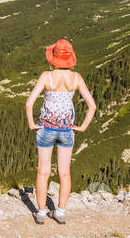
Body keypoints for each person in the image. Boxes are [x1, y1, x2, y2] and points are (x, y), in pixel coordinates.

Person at [25, 38, 96, 225]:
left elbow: (29, 102)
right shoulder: (76, 78)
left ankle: (40, 213)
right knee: (65, 173)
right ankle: (60, 211)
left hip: (45, 128)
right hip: (66, 130)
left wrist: (32, 122)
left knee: (43, 172)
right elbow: (92, 106)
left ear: (53, 59)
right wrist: (82, 126)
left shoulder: (46, 76)